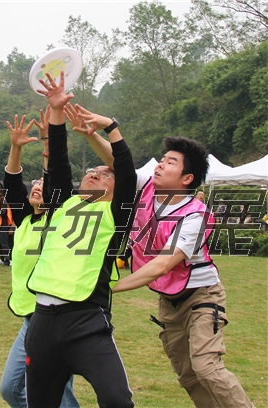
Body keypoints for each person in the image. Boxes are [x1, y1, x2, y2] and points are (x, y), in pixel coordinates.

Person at [111, 137, 254, 407]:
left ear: (187, 178)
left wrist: (109, 288)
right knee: (188, 375)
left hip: (201, 297)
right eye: (163, 159)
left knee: (207, 367)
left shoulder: (195, 215)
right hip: (169, 303)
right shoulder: (148, 188)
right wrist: (100, 131)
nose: (160, 164)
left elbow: (163, 264)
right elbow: (117, 162)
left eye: (171, 162)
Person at [23, 72, 137, 407]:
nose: (95, 173)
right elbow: (58, 164)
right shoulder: (62, 203)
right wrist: (57, 111)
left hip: (86, 320)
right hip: (42, 322)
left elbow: (127, 172)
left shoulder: (116, 213)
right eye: (92, 171)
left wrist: (111, 127)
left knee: (117, 401)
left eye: (104, 174)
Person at [0, 108, 80, 408]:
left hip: (57, 317)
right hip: (31, 319)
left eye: (42, 185)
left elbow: (57, 177)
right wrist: (16, 148)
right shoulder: (24, 219)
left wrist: (49, 140)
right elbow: (11, 184)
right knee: (10, 389)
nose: (36, 186)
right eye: (34, 184)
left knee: (60, 394)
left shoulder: (59, 218)